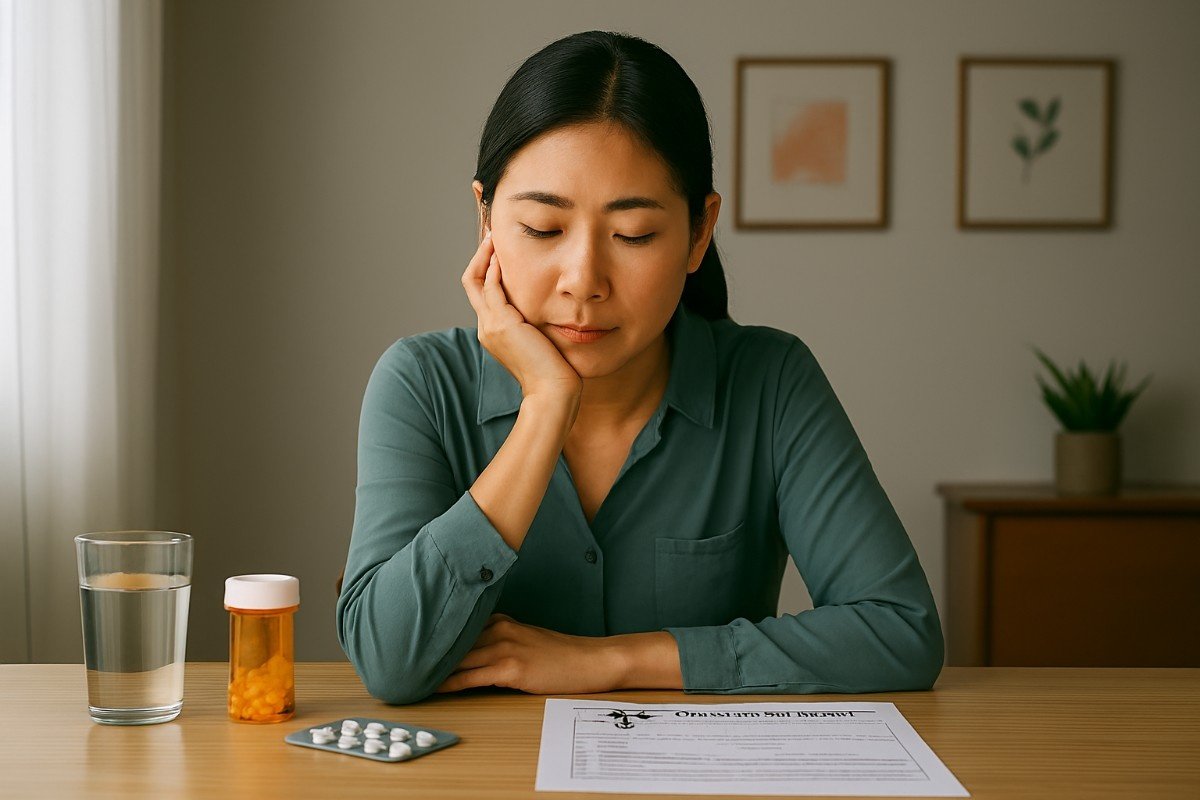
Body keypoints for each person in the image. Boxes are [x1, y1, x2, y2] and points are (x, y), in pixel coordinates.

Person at [336, 30, 943, 705]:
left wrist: (611, 663)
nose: (583, 280)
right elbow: (389, 660)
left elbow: (900, 632)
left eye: (634, 236)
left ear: (698, 233)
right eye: (542, 228)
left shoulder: (771, 380)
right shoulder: (421, 384)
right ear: (486, 222)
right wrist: (545, 408)